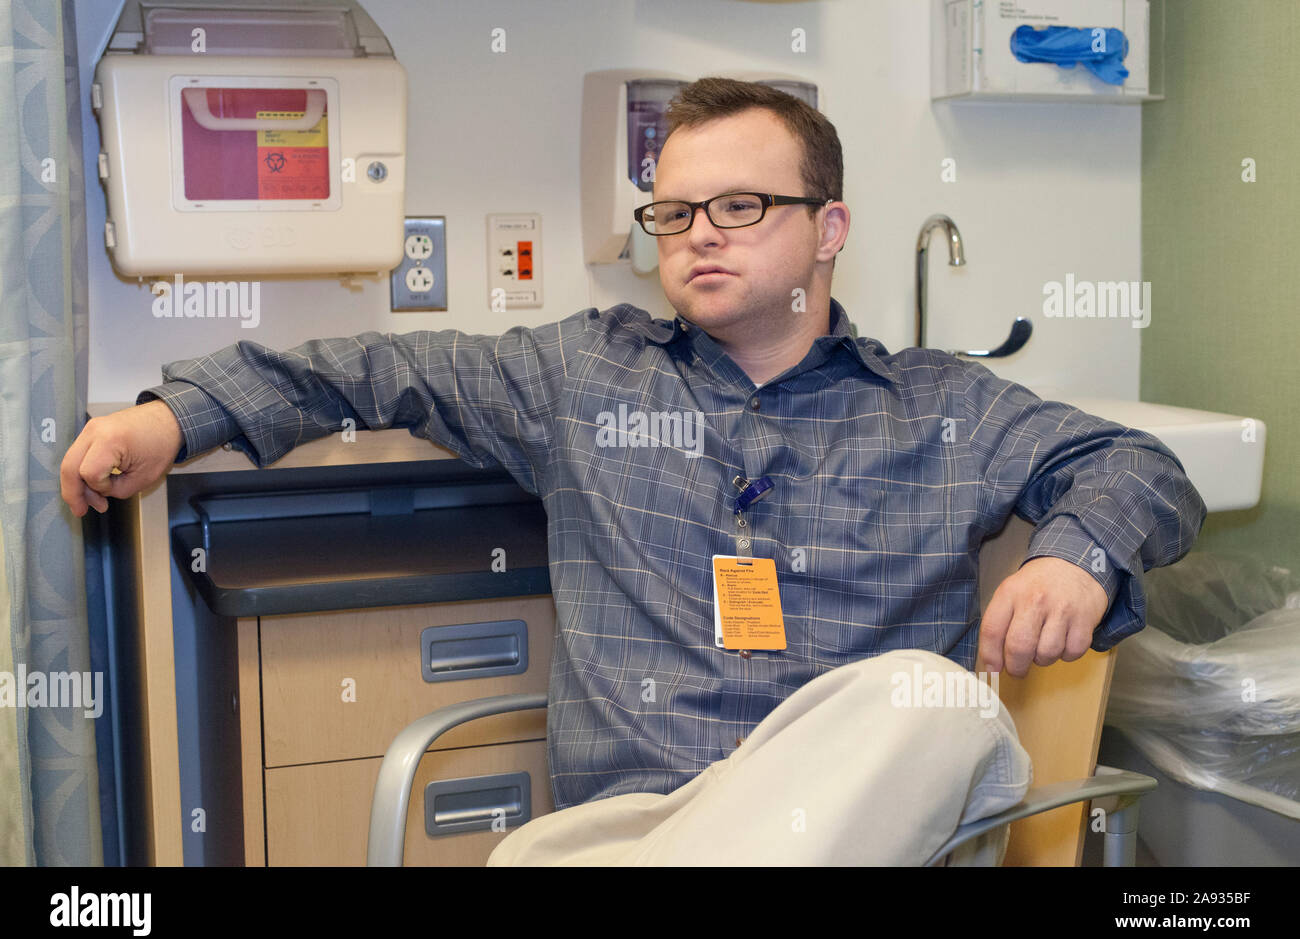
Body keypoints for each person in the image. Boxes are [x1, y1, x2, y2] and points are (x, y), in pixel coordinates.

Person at [60, 77, 1205, 865]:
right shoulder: (584, 378)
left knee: (938, 704)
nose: (699, 231)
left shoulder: (946, 407)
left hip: (861, 834)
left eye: (741, 206)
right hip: (624, 839)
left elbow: (1135, 465)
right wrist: (176, 414)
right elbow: (364, 365)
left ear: (829, 225)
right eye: (672, 211)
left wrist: (1077, 550)